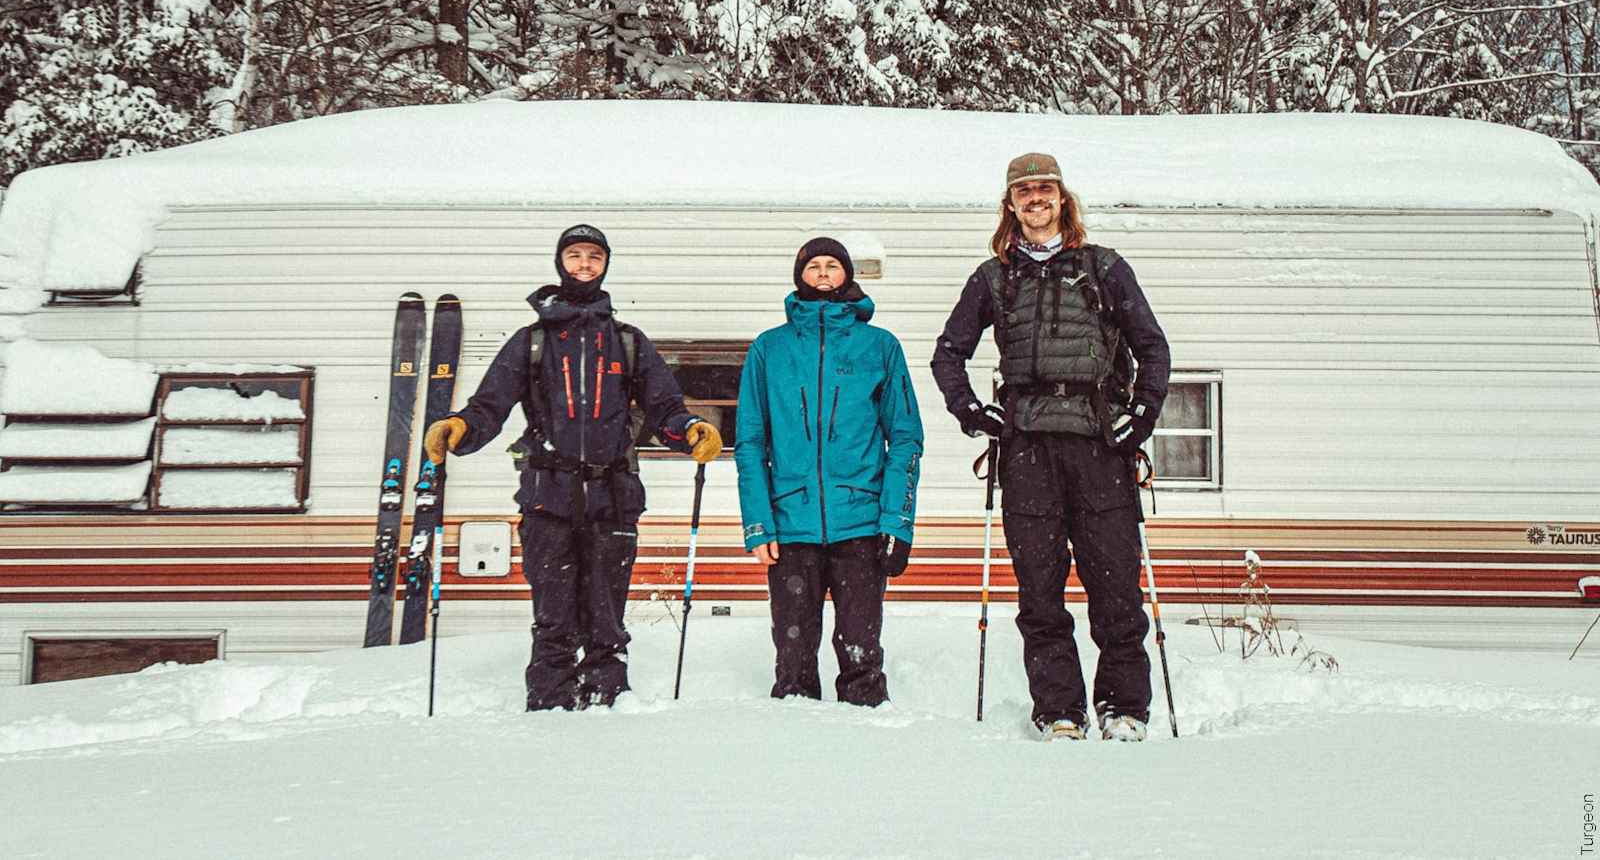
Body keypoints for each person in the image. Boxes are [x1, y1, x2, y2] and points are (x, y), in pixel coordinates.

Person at [424, 224, 722, 711]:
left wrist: (690, 431)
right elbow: (489, 406)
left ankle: (607, 702)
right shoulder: (533, 342)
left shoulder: (627, 342)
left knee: (607, 617)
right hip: (548, 496)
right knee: (553, 615)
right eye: (575, 255)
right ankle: (550, 706)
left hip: (613, 498)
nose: (584, 265)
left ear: (606, 265)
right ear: (560, 262)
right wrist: (459, 430)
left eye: (594, 257)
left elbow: (664, 407)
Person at [930, 153, 1171, 742]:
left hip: (1098, 446)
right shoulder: (993, 277)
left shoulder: (1104, 267)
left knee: (1114, 587)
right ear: (1009, 204)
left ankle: (1124, 708)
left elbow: (1153, 348)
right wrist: (972, 412)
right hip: (1027, 450)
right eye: (1023, 191)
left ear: (1062, 198)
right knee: (1039, 592)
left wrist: (1138, 417)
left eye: (1045, 189)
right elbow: (948, 353)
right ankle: (1059, 709)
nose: (1035, 199)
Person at [734, 237, 924, 706]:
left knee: (861, 653)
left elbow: (904, 438)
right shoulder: (769, 349)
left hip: (859, 521)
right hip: (790, 524)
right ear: (799, 275)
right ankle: (797, 760)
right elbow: (751, 442)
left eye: (832, 266)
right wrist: (758, 524)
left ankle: (865, 752)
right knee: (793, 658)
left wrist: (896, 522)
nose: (822, 273)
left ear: (847, 275)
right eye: (813, 266)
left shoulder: (879, 346)